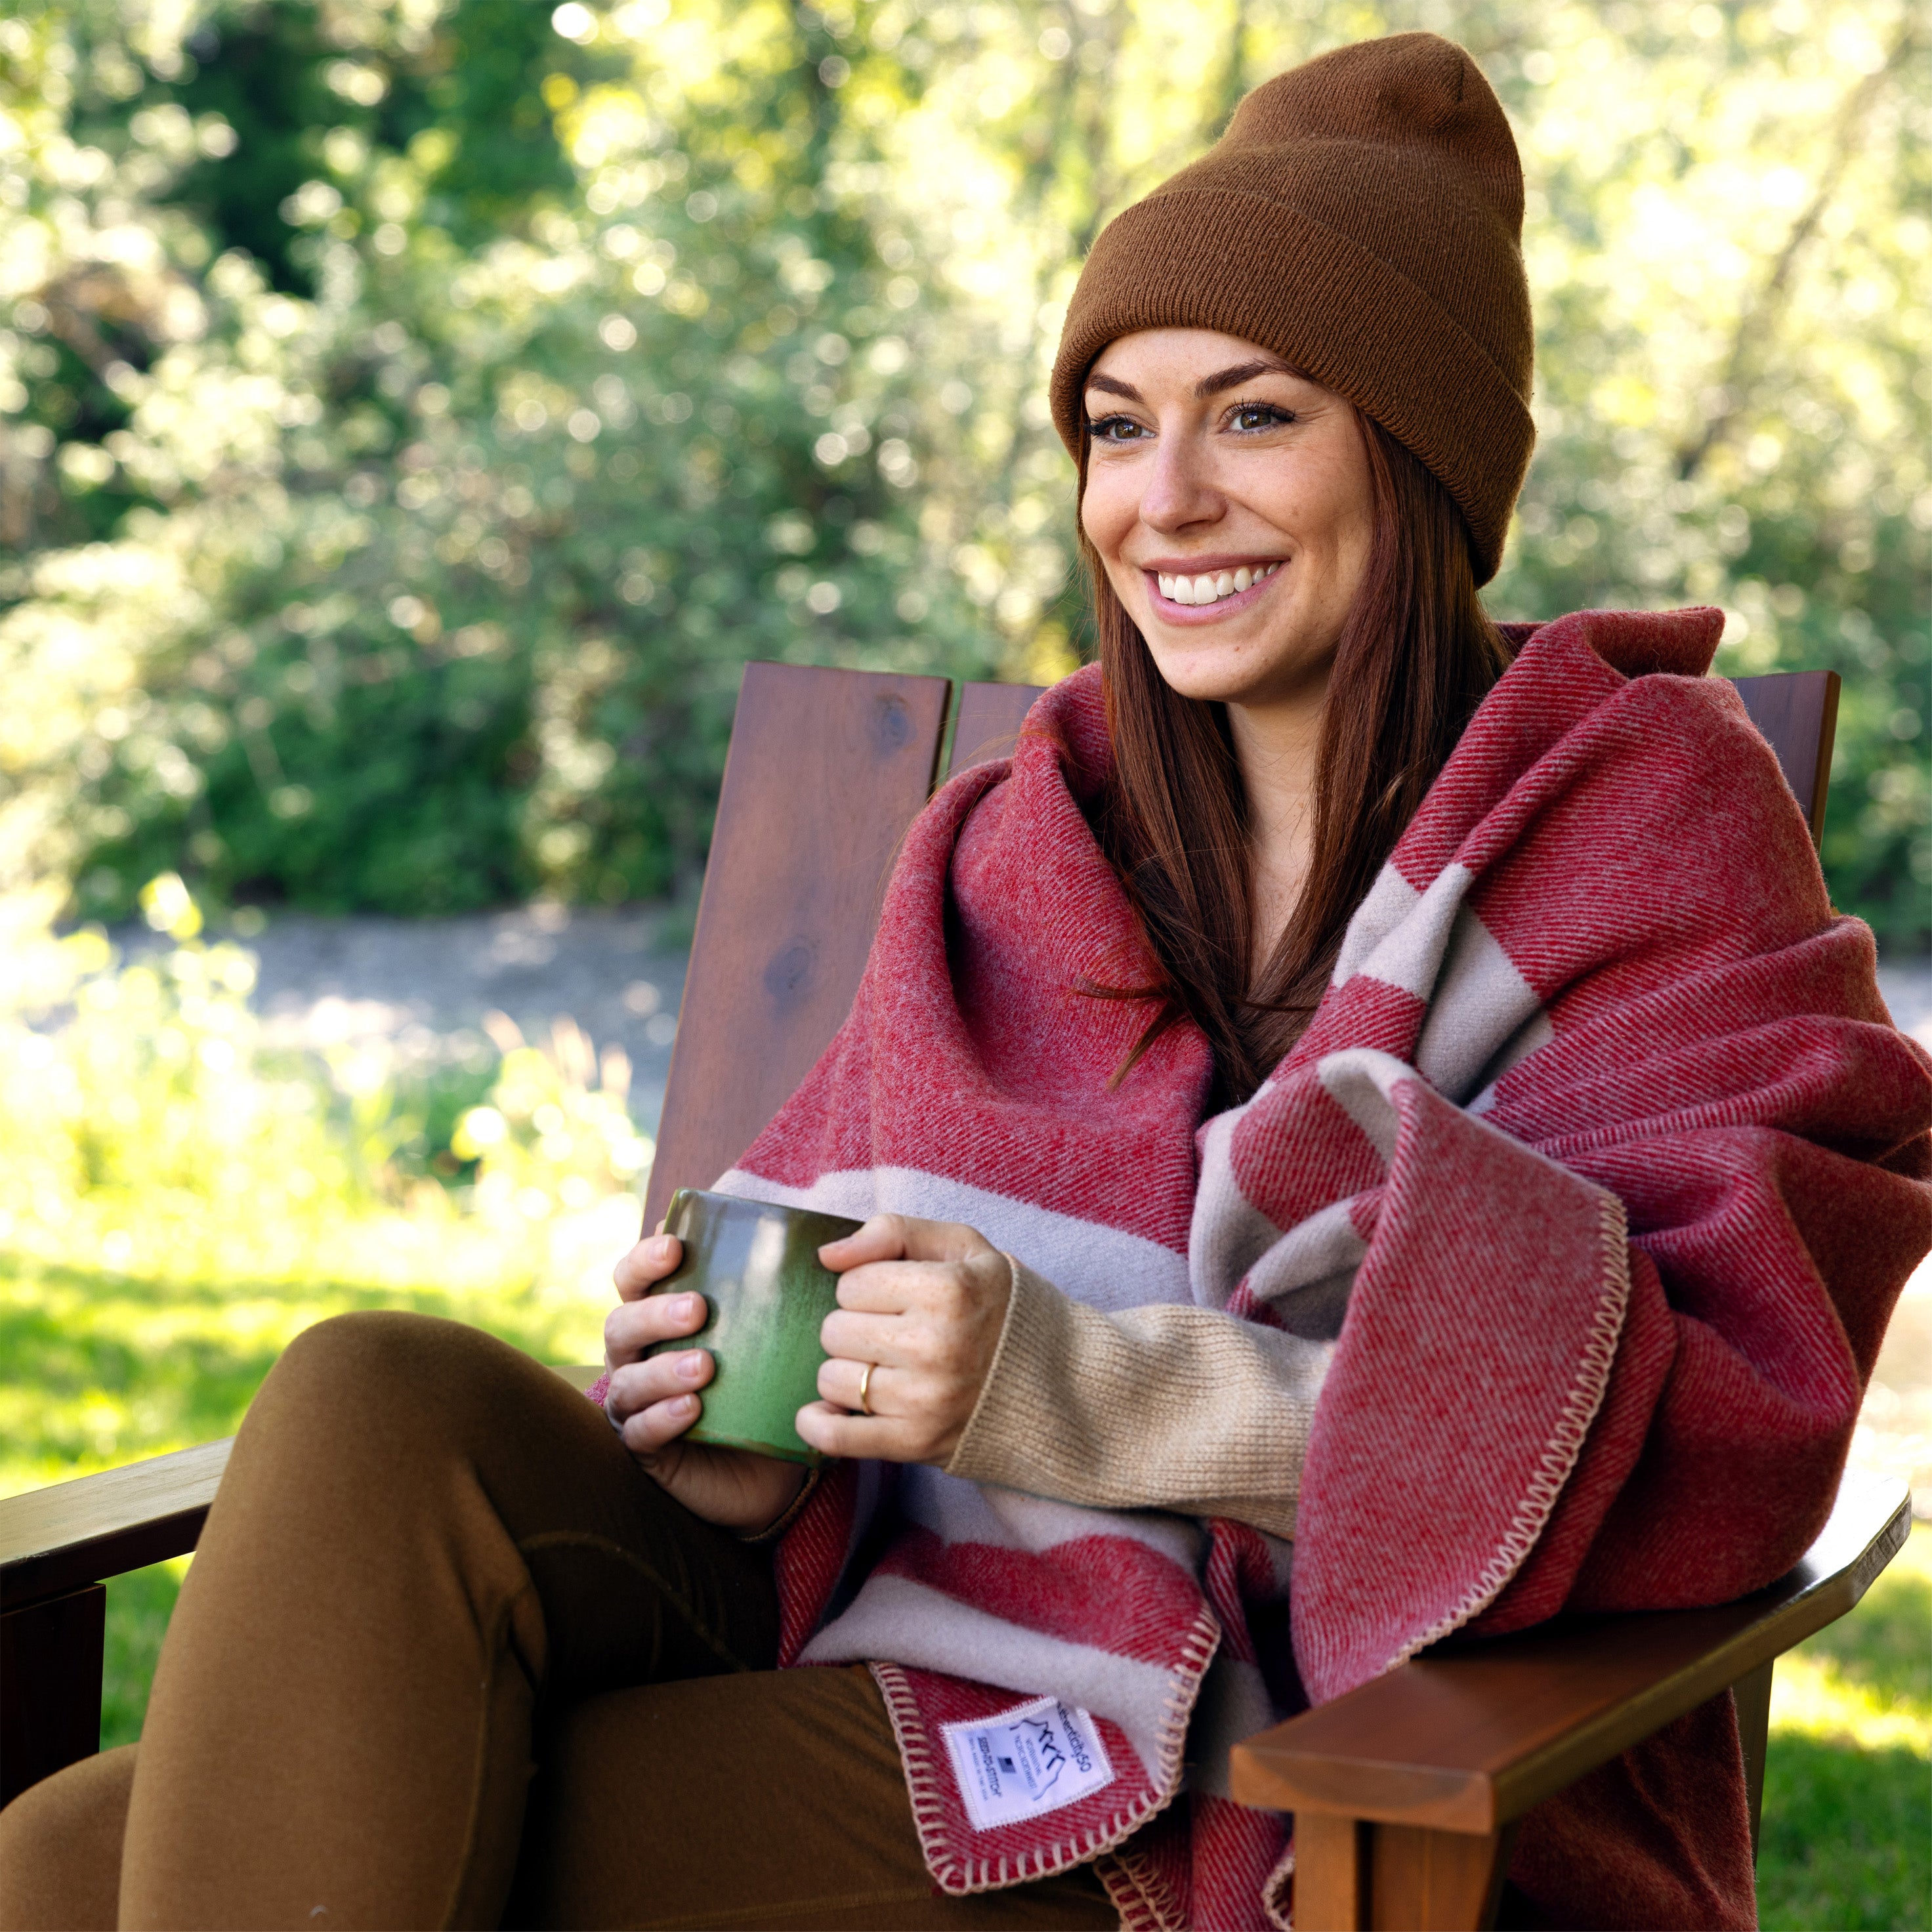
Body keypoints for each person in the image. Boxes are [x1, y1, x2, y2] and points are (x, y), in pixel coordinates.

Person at [4, 30, 1927, 1932]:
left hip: (1257, 1779)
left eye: (1255, 416)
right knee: (360, 1400)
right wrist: (737, 1439)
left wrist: (1075, 1390)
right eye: (1115, 422)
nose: (1162, 498)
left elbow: (1733, 1423)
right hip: (896, 1655)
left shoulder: (1640, 822)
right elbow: (810, 1301)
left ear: (1413, 451)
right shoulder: (1024, 845)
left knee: (87, 1873)